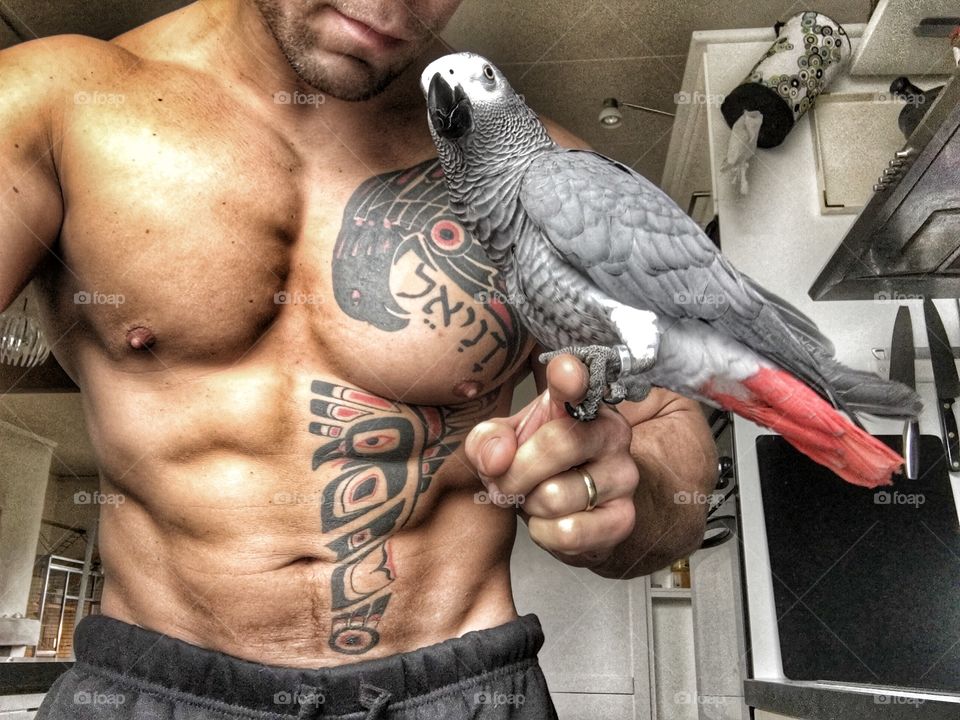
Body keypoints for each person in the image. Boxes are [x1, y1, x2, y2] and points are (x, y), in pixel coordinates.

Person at [0, 1, 716, 717]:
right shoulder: (56, 106)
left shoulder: (547, 182)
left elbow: (671, 453)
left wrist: (620, 494)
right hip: (153, 689)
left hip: (459, 691)